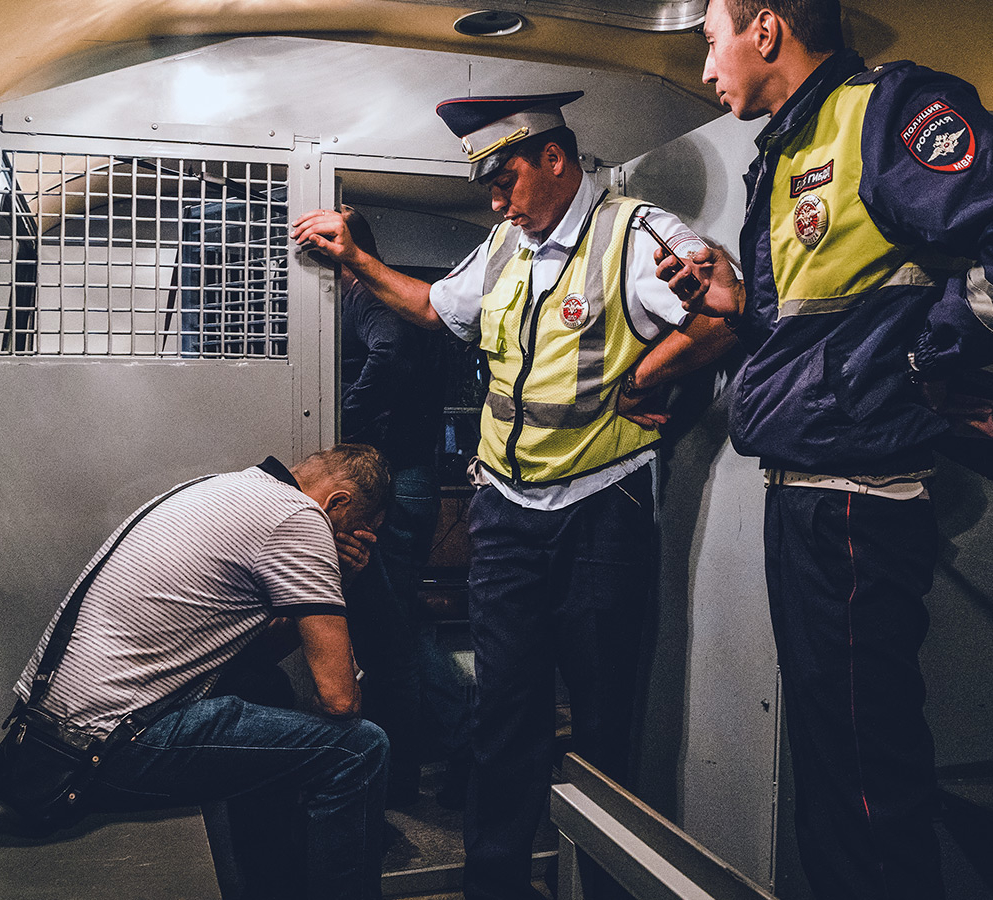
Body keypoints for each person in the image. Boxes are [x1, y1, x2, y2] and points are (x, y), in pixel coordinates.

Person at [660, 2, 993, 898]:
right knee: (832, 764)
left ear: (766, 29)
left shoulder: (886, 113)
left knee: (865, 780)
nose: (706, 67)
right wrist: (736, 298)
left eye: (711, 39)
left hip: (856, 499)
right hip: (809, 487)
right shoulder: (788, 147)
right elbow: (818, 325)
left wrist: (919, 354)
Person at [294, 93, 736, 900]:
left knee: (601, 716)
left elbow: (721, 316)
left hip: (601, 506)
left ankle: (603, 886)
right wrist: (356, 258)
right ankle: (494, 886)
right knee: (505, 712)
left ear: (554, 159)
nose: (498, 203)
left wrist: (647, 374)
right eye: (490, 188)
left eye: (507, 181)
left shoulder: (634, 233)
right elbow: (433, 308)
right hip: (505, 510)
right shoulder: (503, 245)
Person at [9, 445, 394, 900]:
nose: (352, 543)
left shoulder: (223, 486)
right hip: (102, 749)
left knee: (262, 686)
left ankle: (272, 886)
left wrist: (338, 576)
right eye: (357, 532)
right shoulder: (301, 518)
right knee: (359, 750)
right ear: (337, 502)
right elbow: (339, 699)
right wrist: (332, 572)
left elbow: (254, 658)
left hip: (45, 738)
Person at [336, 206, 470, 808]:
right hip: (407, 477)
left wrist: (343, 417)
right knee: (400, 626)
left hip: (393, 481)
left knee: (391, 636)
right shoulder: (381, 296)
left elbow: (388, 353)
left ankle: (440, 756)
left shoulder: (365, 295)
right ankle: (454, 747)